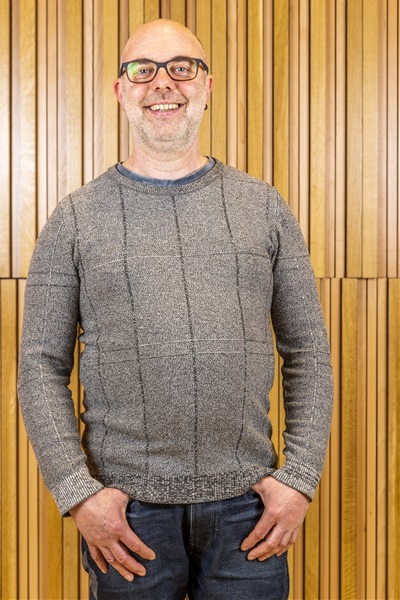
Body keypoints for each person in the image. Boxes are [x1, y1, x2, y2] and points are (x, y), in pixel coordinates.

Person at [18, 18, 333, 600]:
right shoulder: (75, 218)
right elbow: (39, 366)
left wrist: (300, 478)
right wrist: (78, 492)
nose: (162, 83)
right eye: (143, 70)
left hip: (249, 512)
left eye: (181, 67)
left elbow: (308, 350)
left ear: (207, 86)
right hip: (126, 515)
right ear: (121, 91)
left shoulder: (263, 207)